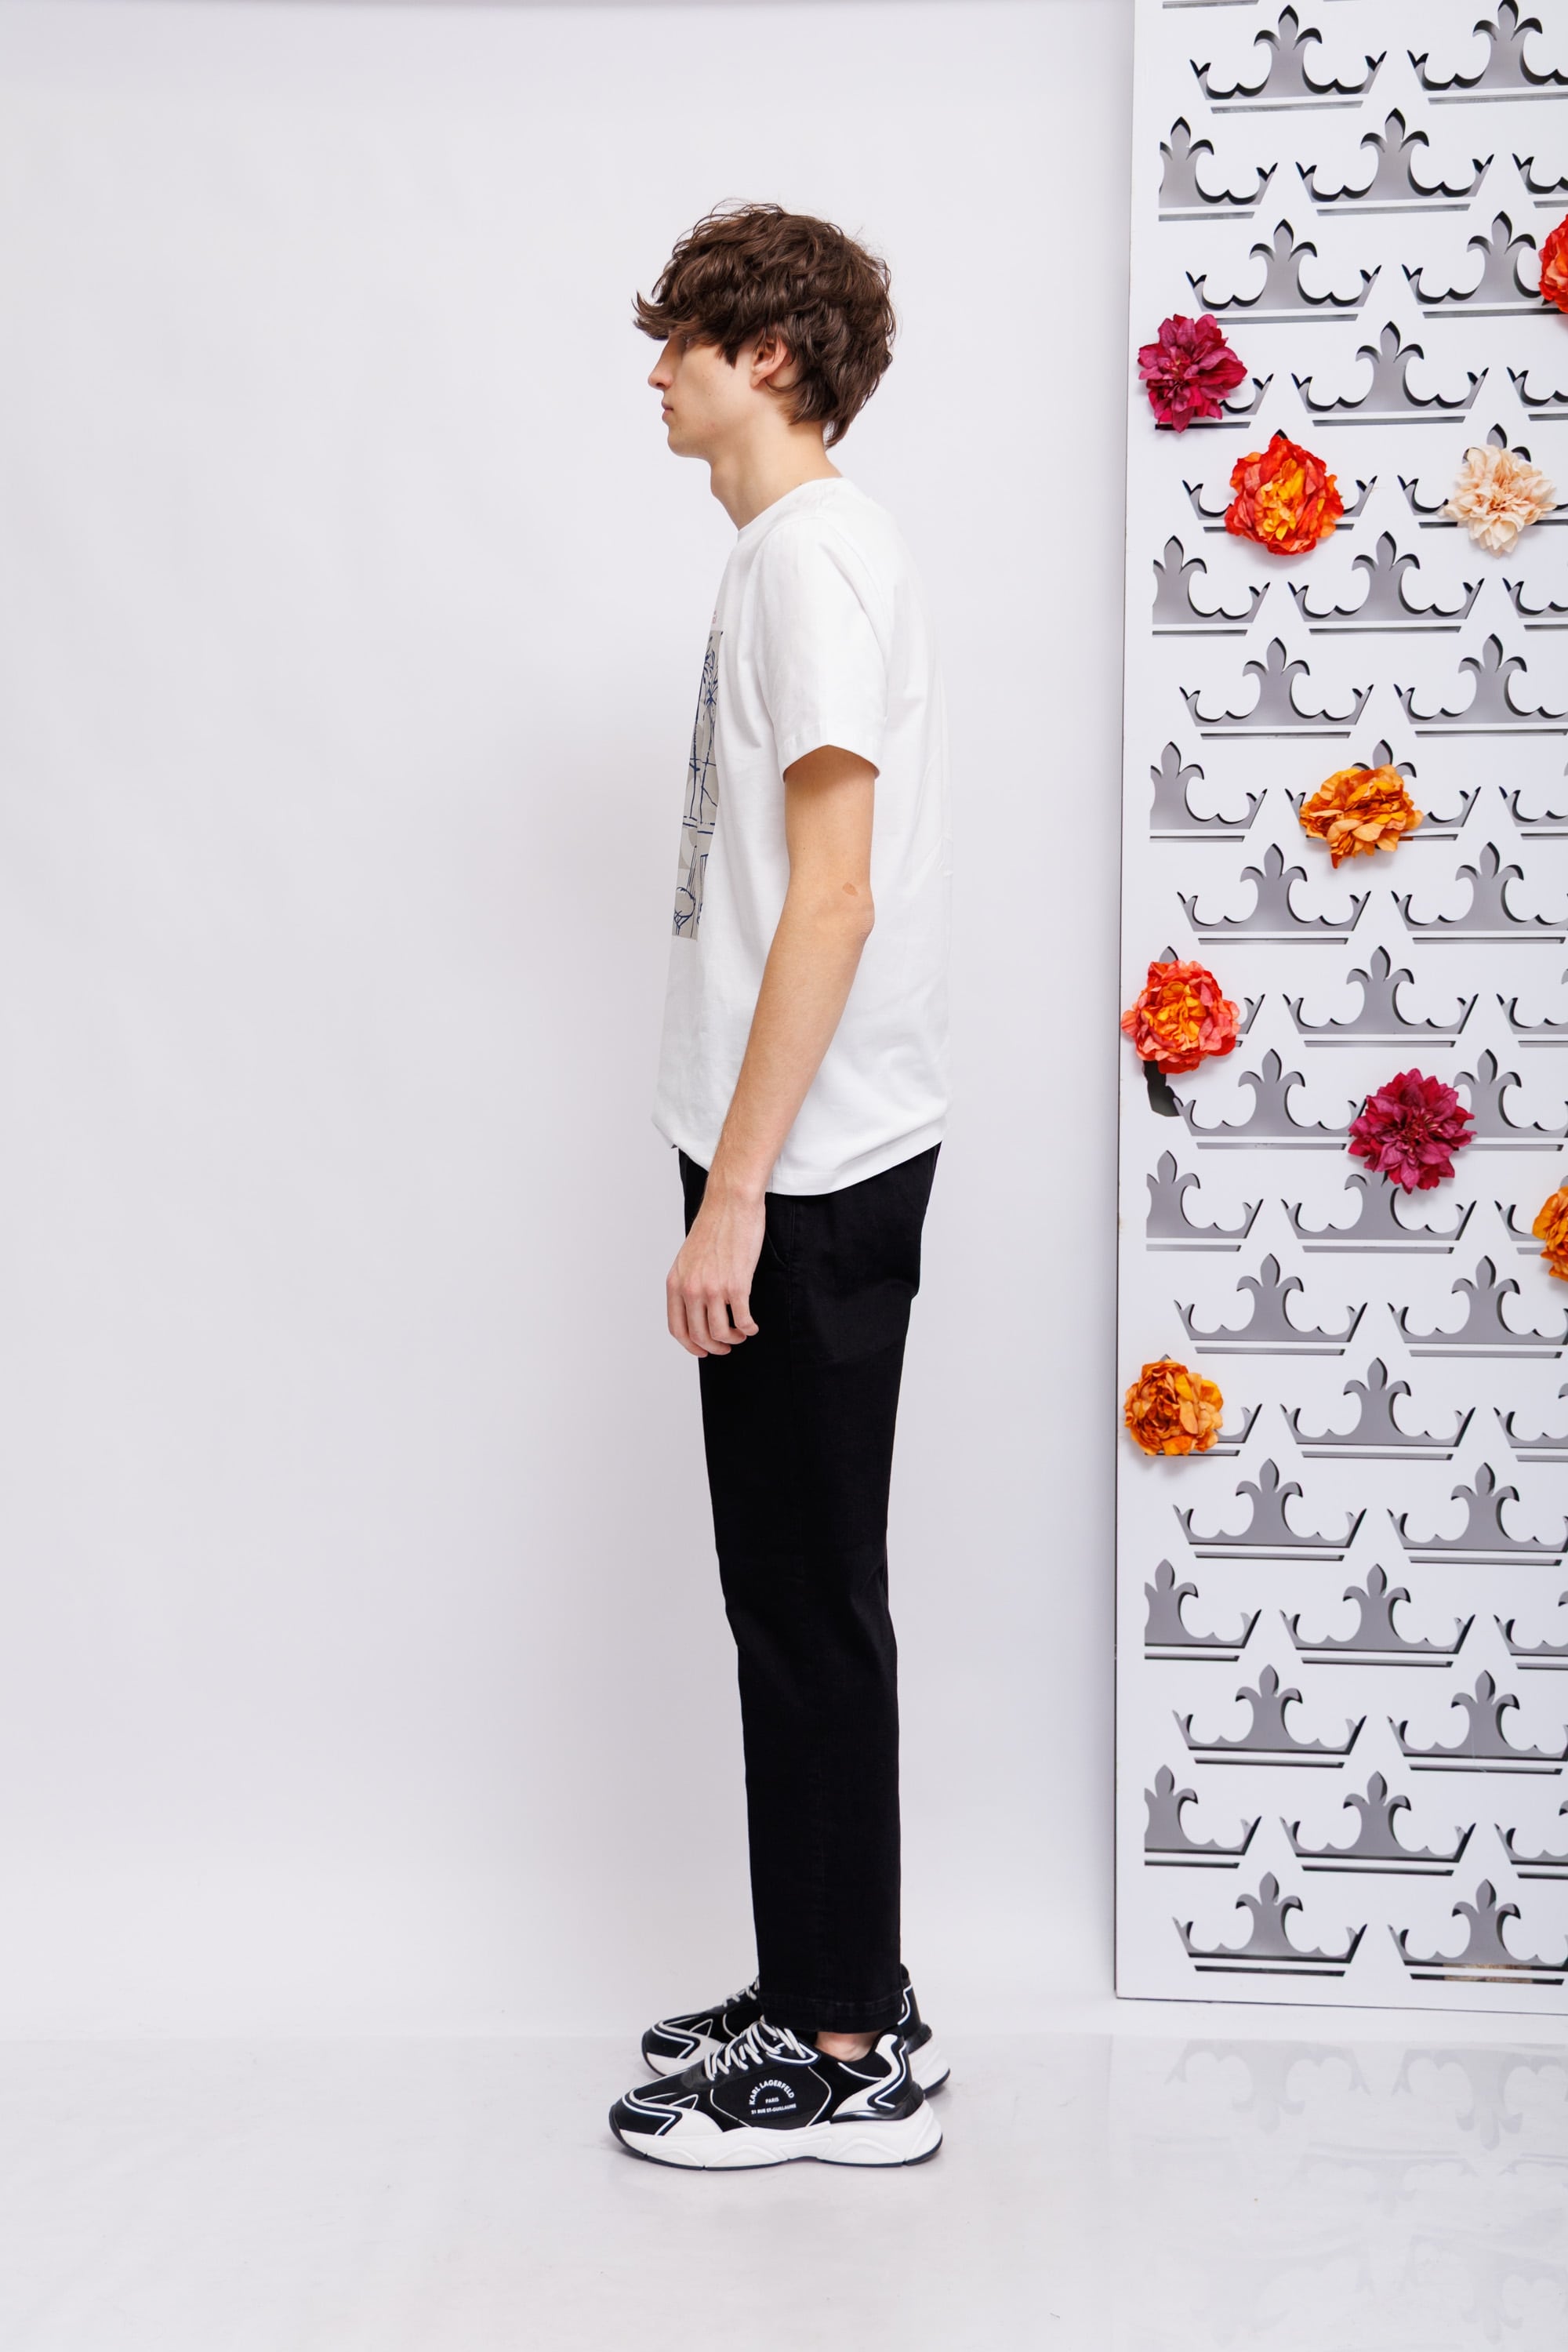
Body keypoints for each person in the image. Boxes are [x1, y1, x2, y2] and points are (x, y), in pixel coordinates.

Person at [608, 203, 952, 2171]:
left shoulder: (811, 557)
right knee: (789, 1592)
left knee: (806, 1600)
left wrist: (734, 1194)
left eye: (685, 337)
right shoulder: (790, 555)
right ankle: (833, 1978)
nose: (655, 368)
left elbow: (835, 893)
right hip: (788, 1144)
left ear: (770, 360)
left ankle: (841, 2052)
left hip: (805, 1163)